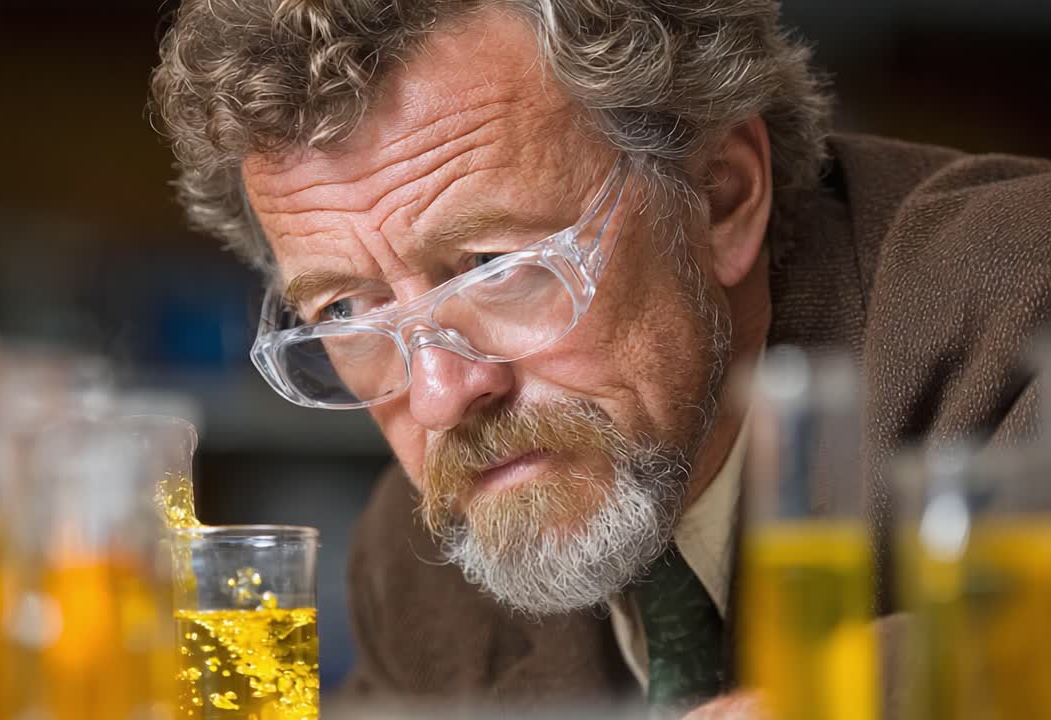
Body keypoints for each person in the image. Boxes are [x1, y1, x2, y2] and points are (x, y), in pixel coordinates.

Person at [150, 0, 1051, 716]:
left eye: (495, 266)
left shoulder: (1022, 296)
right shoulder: (415, 575)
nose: (439, 395)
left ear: (720, 193)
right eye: (345, 308)